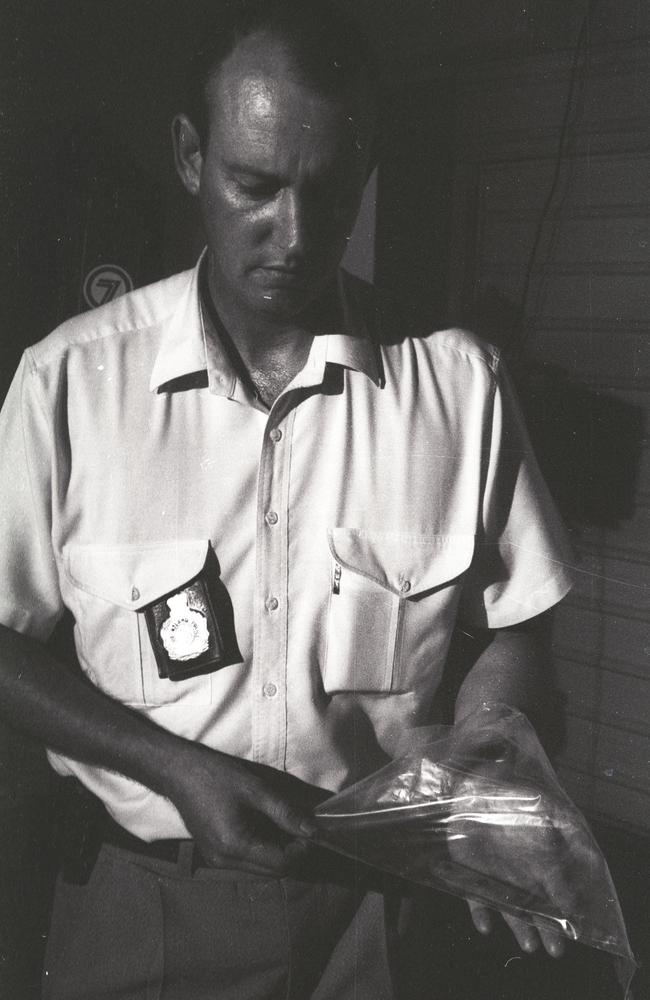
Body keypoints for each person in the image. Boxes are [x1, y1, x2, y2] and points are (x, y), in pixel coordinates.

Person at [0, 1, 575, 996]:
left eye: (328, 190)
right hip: (150, 903)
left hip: (382, 912)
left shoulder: (456, 387)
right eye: (254, 185)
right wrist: (175, 769)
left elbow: (516, 622)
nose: (296, 234)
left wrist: (488, 745)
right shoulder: (69, 385)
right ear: (190, 157)